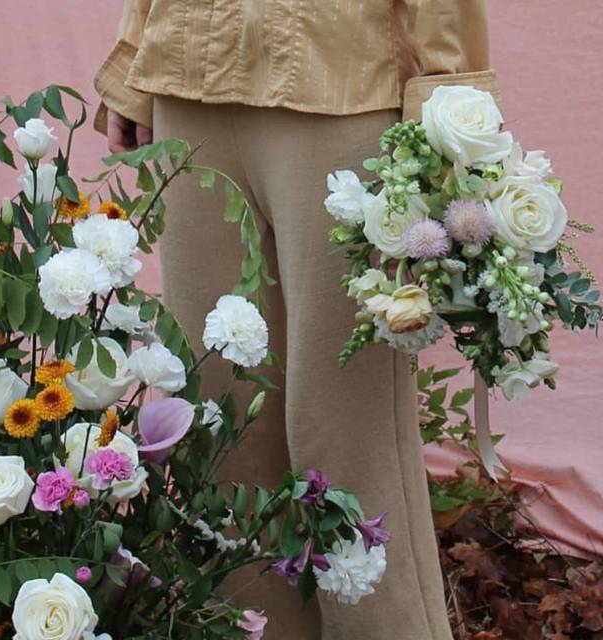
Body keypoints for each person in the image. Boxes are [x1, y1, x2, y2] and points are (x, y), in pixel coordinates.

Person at [94, 2, 499, 638]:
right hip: (189, 75)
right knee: (219, 413)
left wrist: (447, 99)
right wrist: (136, 60)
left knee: (343, 426)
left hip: (342, 79)